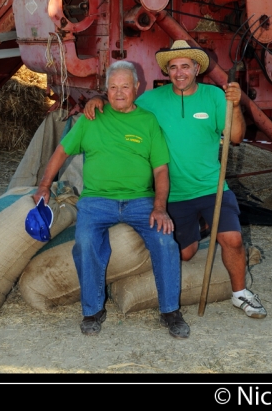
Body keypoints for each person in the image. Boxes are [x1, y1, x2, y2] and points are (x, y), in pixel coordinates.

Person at [84, 40, 267, 319]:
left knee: (232, 239)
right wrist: (96, 98)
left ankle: (240, 294)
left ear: (196, 68)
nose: (179, 72)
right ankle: (201, 230)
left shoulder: (215, 96)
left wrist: (237, 106)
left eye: (185, 66)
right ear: (167, 72)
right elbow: (120, 101)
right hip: (173, 194)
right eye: (173, 68)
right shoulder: (151, 101)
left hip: (210, 187)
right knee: (184, 253)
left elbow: (236, 137)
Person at [33, 60, 190, 339]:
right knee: (85, 242)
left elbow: (161, 169)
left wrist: (159, 207)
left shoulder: (147, 121)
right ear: (105, 89)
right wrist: (45, 185)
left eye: (125, 87)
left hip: (141, 201)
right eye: (113, 87)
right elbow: (60, 152)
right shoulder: (90, 119)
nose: (119, 93)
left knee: (165, 240)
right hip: (96, 201)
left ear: (137, 88)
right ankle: (93, 310)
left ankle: (170, 311)